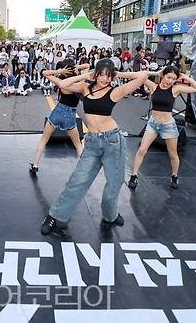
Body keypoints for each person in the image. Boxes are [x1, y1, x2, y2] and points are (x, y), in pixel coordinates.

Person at [40, 59, 149, 235]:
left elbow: (142, 76)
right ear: (96, 73)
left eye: (108, 76)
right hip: (91, 142)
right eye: (101, 74)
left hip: (112, 141)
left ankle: (110, 215)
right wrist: (88, 74)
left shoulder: (115, 91)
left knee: (114, 183)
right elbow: (62, 83)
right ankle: (55, 215)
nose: (104, 79)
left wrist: (116, 73)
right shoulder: (85, 87)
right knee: (77, 180)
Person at [128, 66, 196, 190]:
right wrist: (155, 72)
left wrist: (184, 77)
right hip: (153, 124)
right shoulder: (153, 86)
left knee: (173, 154)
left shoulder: (175, 89)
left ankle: (174, 176)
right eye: (168, 77)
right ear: (163, 75)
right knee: (142, 150)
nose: (170, 81)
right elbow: (139, 74)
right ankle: (134, 176)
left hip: (168, 125)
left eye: (173, 79)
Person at [29, 60, 86, 175]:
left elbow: (44, 73)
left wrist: (60, 71)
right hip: (70, 114)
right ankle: (85, 168)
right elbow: (87, 66)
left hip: (58, 111)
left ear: (65, 69)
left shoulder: (62, 82)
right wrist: (75, 67)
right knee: (78, 144)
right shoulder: (80, 83)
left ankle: (35, 164)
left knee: (44, 139)